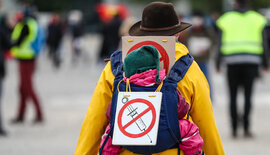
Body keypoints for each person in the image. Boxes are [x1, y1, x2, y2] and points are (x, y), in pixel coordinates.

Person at [75, 2, 224, 155]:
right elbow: (206, 124)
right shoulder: (189, 68)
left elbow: (94, 121)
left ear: (142, 32)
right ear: (177, 34)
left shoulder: (117, 65)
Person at [99, 45, 203, 155]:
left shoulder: (122, 88)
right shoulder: (166, 86)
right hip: (166, 137)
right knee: (189, 128)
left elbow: (111, 113)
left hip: (129, 139)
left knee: (111, 132)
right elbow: (182, 109)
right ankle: (194, 152)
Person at [215, 0, 270, 138]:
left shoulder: (225, 19)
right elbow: (264, 42)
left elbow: (219, 42)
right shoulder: (258, 19)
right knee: (248, 95)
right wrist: (266, 63)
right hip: (251, 62)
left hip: (232, 62)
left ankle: (234, 129)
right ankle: (246, 128)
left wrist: (217, 63)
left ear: (235, 4)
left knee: (232, 96)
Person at [10, 8, 43, 123]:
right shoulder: (31, 24)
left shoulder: (26, 25)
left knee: (27, 88)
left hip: (26, 59)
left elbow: (18, 41)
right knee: (23, 89)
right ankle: (21, 114)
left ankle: (39, 114)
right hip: (27, 59)